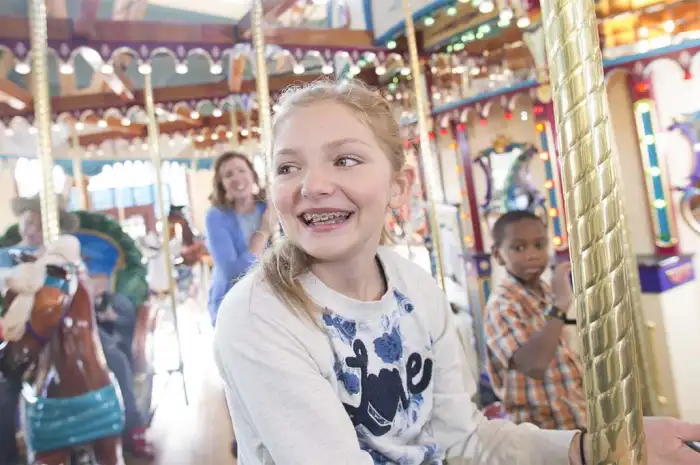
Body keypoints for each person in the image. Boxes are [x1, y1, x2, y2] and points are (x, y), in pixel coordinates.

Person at [212, 80, 700, 465]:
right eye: (287, 168)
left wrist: (590, 449)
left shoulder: (415, 289)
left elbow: (464, 440)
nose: (312, 185)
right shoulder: (259, 318)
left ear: (400, 186)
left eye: (345, 160)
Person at [0, 196, 153, 459]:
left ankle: (132, 429)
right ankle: (7, 453)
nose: (33, 229)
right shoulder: (7, 256)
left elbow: (88, 292)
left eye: (39, 223)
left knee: (114, 358)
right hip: (28, 332)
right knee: (5, 382)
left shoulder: (62, 258)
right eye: (28, 222)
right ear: (20, 225)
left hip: (71, 329)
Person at [483, 210, 585, 430]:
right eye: (518, 247)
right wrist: (560, 306)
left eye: (539, 245)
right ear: (498, 255)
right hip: (543, 430)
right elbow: (533, 364)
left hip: (574, 418)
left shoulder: (545, 291)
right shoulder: (503, 304)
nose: (532, 255)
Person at [205, 151, 276, 324]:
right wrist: (264, 232)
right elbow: (233, 271)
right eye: (228, 175)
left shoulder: (268, 207)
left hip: (270, 299)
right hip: (233, 302)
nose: (237, 178)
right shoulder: (216, 217)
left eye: (241, 170)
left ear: (252, 174)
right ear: (222, 184)